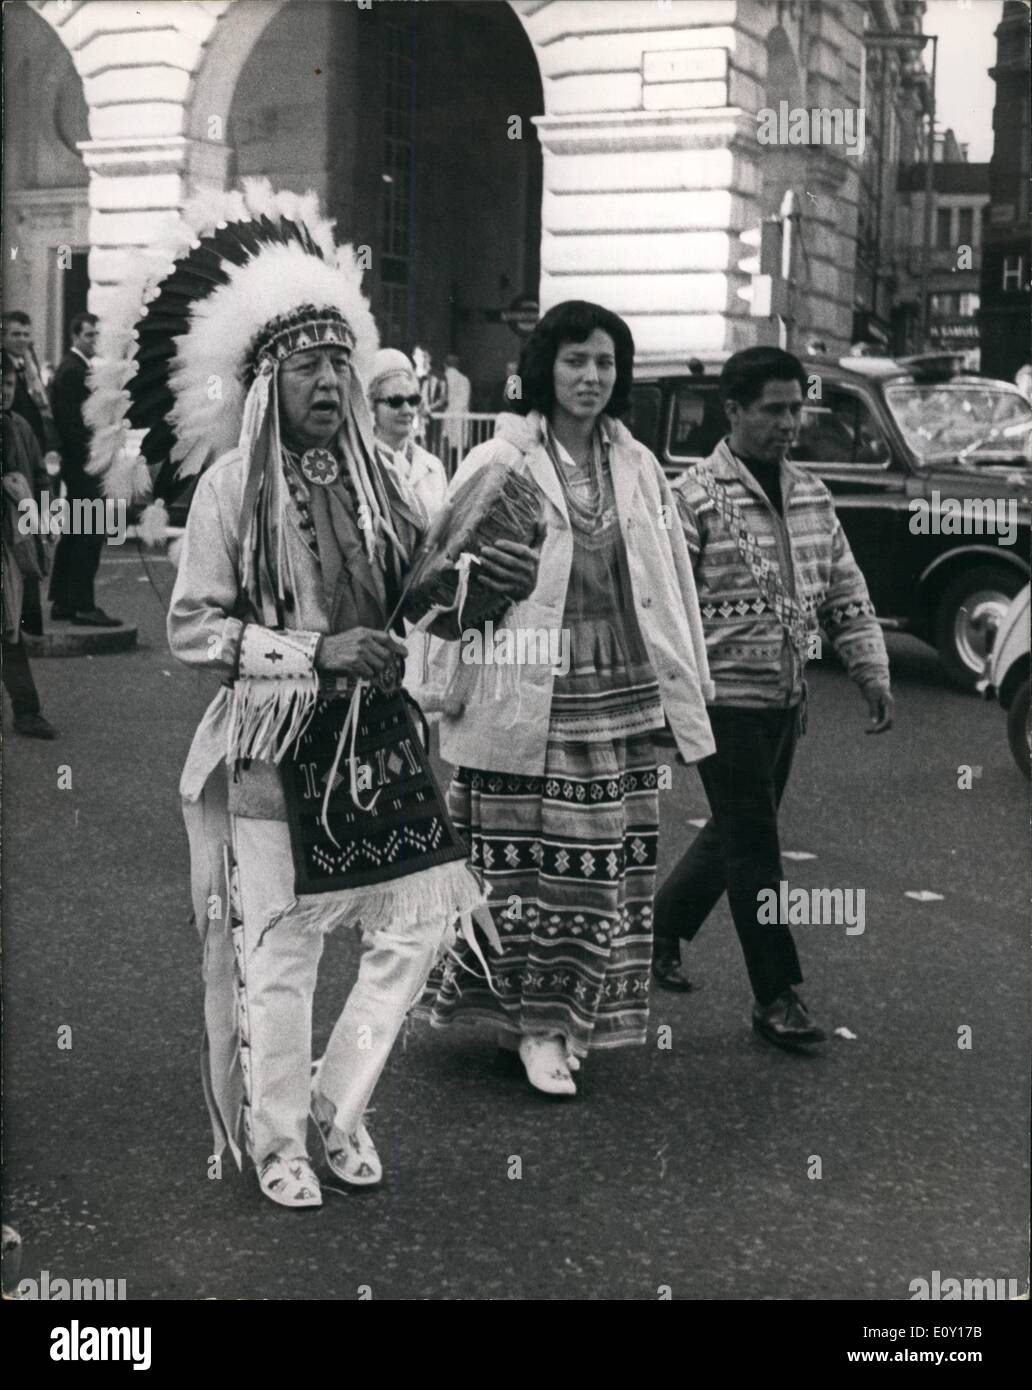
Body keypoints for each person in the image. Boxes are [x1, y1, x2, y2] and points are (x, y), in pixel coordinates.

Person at [84, 183, 539, 1209]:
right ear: (266, 384)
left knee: (416, 929)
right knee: (283, 946)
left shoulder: (385, 476)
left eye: (342, 361)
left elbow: (429, 589)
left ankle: (341, 1104)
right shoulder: (229, 488)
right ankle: (279, 1136)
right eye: (309, 365)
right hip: (275, 745)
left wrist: (474, 581)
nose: (331, 380)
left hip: (383, 736)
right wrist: (315, 652)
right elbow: (196, 629)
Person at [417, 300, 714, 1096]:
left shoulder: (639, 466)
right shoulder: (501, 463)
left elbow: (669, 587)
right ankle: (534, 1026)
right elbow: (438, 587)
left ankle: (561, 1018)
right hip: (522, 694)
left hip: (615, 695)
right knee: (516, 873)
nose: (590, 376)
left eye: (605, 363)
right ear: (545, 367)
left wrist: (690, 689)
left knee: (598, 872)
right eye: (576, 360)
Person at [651, 347, 894, 1049]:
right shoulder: (691, 497)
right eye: (775, 410)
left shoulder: (814, 495)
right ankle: (775, 996)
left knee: (735, 831)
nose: (791, 423)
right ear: (734, 411)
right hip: (723, 703)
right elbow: (667, 608)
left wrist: (869, 668)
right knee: (756, 846)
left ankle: (660, 930)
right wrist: (672, 701)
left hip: (787, 699)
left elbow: (845, 589)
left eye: (798, 409)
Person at [367, 348, 450, 708]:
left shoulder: (432, 466)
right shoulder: (362, 467)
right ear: (372, 407)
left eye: (413, 399)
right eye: (395, 401)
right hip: (381, 605)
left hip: (423, 607)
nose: (406, 409)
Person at [48, 312, 121, 627]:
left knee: (76, 532)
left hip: (79, 464)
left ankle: (63, 601)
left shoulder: (74, 368)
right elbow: (73, 424)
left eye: (97, 335)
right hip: (84, 465)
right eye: (89, 335)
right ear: (75, 336)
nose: (95, 341)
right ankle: (82, 605)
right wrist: (95, 458)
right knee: (89, 534)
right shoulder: (74, 371)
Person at [1, 354, 56, 739]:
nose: (4, 392)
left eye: (8, 385)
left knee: (9, 629)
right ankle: (26, 709)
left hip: (12, 545)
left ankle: (26, 710)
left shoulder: (19, 426)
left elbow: (40, 475)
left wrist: (46, 519)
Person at [2, 311, 52, 636]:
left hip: (19, 523)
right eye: (15, 334)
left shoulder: (29, 371)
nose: (23, 340)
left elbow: (39, 471)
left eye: (26, 334)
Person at [442, 352, 472, 472]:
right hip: (461, 418)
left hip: (446, 417)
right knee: (458, 451)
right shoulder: (465, 380)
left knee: (445, 449)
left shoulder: (443, 378)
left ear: (444, 365)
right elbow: (466, 401)